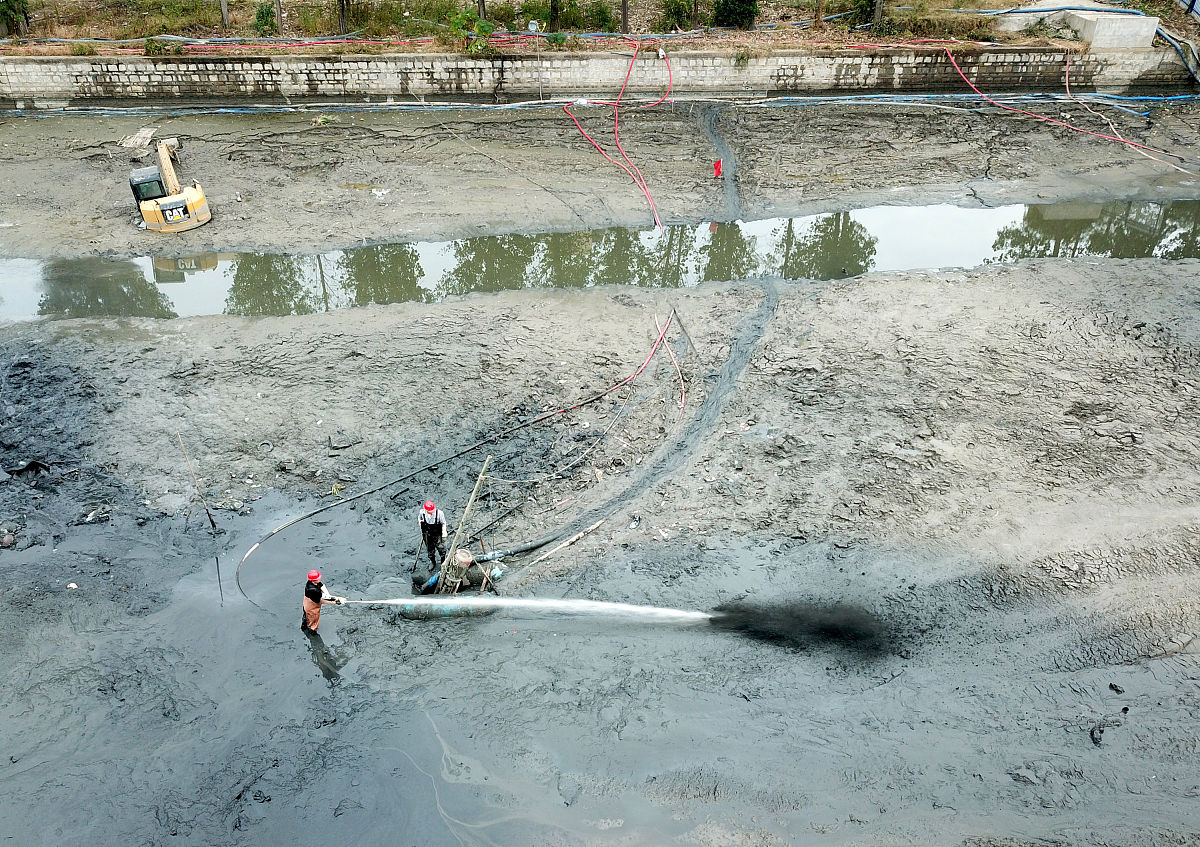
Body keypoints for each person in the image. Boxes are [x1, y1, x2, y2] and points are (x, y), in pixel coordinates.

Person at [418, 500, 448, 570]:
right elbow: (419, 519)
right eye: (430, 511)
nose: (432, 512)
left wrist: (444, 534)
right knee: (430, 550)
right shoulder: (422, 513)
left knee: (442, 549)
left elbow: (443, 523)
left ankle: (443, 563)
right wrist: (422, 527)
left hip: (437, 534)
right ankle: (433, 562)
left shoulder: (439, 513)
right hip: (427, 535)